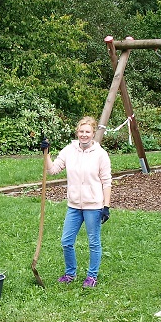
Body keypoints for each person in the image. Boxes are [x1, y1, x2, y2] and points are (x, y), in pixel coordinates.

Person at [43, 116, 112, 288]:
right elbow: (52, 170)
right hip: (74, 205)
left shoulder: (100, 155)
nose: (84, 135)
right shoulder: (69, 150)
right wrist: (46, 153)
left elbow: (106, 182)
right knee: (66, 241)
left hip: (93, 206)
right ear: (77, 132)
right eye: (81, 131)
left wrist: (106, 206)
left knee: (93, 242)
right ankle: (70, 273)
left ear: (93, 133)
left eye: (87, 132)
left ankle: (92, 276)